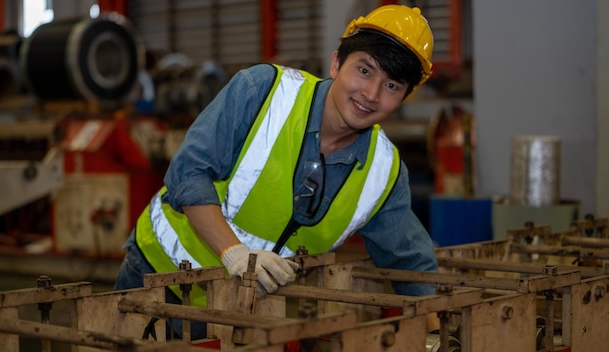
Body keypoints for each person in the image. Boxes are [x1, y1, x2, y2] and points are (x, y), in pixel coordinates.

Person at [114, 4, 440, 340]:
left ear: (403, 98)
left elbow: (410, 260)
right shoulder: (262, 92)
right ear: (336, 63)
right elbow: (188, 172)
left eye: (392, 86)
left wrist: (435, 337)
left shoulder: (383, 171)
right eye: (365, 70)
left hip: (248, 311)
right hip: (157, 280)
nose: (370, 95)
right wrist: (234, 253)